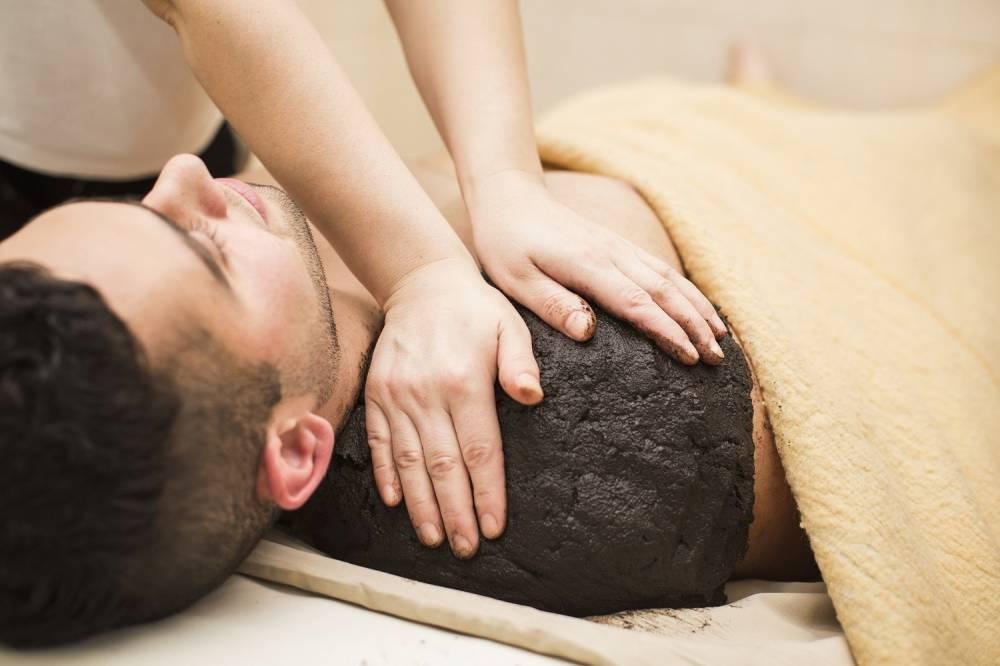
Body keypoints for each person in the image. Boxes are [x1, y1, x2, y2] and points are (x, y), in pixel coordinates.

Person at [0, 102, 815, 642]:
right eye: (205, 251)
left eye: (135, 206)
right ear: (296, 452)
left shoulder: (294, 295)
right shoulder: (555, 411)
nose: (180, 172)